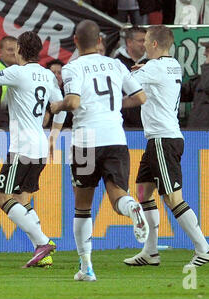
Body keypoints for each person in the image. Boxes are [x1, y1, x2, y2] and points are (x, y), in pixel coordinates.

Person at [50, 20, 149, 281]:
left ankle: (87, 268)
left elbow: (72, 101)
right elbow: (140, 98)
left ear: (75, 40)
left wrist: (55, 107)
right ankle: (132, 209)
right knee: (118, 197)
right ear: (100, 41)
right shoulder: (117, 65)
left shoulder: (73, 68)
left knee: (83, 207)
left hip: (86, 140)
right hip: (115, 137)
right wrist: (113, 107)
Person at [122, 25, 209, 267]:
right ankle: (151, 251)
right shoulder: (173, 64)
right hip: (158, 138)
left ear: (154, 44)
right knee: (143, 191)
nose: (143, 45)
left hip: (163, 139)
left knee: (173, 198)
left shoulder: (153, 67)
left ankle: (204, 248)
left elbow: (126, 84)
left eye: (146, 41)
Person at [0, 31, 67, 268]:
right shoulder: (47, 75)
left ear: (18, 50)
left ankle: (43, 242)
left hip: (21, 148)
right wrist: (54, 135)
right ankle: (43, 254)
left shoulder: (17, 72)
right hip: (39, 147)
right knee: (22, 200)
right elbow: (61, 107)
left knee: (1, 198)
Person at [115, 27, 148, 128]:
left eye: (146, 41)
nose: (145, 44)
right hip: (123, 124)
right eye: (141, 41)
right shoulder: (116, 63)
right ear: (129, 42)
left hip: (148, 123)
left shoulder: (151, 63)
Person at [43, 59, 73, 129]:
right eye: (53, 73)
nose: (56, 75)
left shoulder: (70, 95)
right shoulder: (41, 95)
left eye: (59, 73)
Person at [0, 36, 18, 107]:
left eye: (17, 50)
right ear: (0, 52)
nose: (14, 53)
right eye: (10, 50)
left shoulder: (25, 72)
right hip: (0, 115)